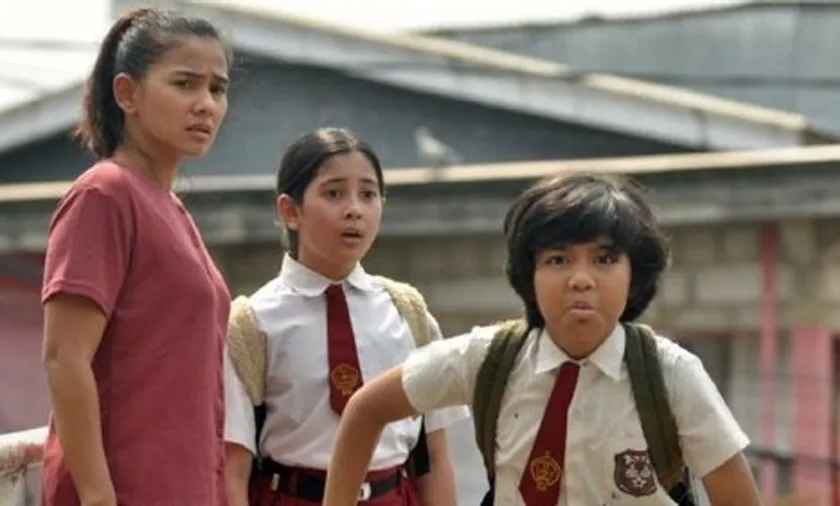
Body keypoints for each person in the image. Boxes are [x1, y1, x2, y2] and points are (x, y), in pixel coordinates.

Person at [322, 173, 762, 505]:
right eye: (557, 260)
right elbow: (366, 408)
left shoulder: (671, 375)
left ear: (635, 275)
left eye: (605, 259)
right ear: (528, 274)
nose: (581, 279)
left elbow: (736, 494)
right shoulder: (489, 358)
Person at [40, 8, 233, 506]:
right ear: (127, 93)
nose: (206, 104)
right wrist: (98, 496)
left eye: (217, 89)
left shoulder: (170, 208)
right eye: (185, 84)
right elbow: (64, 357)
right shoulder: (104, 194)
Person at [221, 127, 469, 506]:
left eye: (368, 194)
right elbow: (233, 469)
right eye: (334, 193)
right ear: (290, 211)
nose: (354, 209)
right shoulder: (252, 324)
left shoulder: (408, 313)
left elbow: (433, 460)